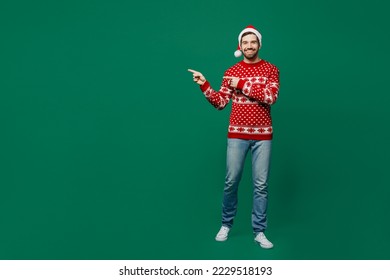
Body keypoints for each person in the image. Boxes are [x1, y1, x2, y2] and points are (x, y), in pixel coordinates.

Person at [188, 25, 280, 249]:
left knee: (261, 185)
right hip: (237, 134)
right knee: (231, 182)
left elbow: (270, 97)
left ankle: (259, 231)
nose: (249, 46)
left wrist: (241, 85)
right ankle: (226, 224)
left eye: (253, 42)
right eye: (245, 42)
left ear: (259, 44)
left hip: (263, 136)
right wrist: (205, 85)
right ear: (241, 46)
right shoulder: (231, 71)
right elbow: (220, 103)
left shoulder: (271, 70)